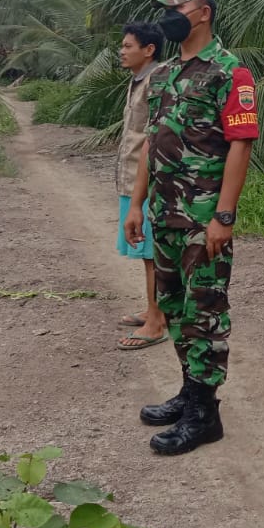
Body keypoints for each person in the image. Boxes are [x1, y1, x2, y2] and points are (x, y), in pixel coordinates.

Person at [124, 0, 258, 455]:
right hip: (164, 215)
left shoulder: (230, 72)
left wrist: (224, 215)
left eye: (176, 8)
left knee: (205, 312)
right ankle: (188, 391)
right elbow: (151, 142)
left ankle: (205, 414)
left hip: (203, 218)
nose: (168, 17)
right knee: (176, 307)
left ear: (203, 12)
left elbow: (241, 144)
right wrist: (136, 203)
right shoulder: (163, 74)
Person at [115, 21, 168, 351]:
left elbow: (155, 136)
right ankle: (152, 309)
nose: (121, 51)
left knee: (152, 254)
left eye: (128, 46)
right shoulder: (137, 79)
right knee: (146, 254)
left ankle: (157, 322)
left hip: (146, 180)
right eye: (122, 46)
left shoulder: (157, 80)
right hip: (131, 178)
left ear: (149, 50)